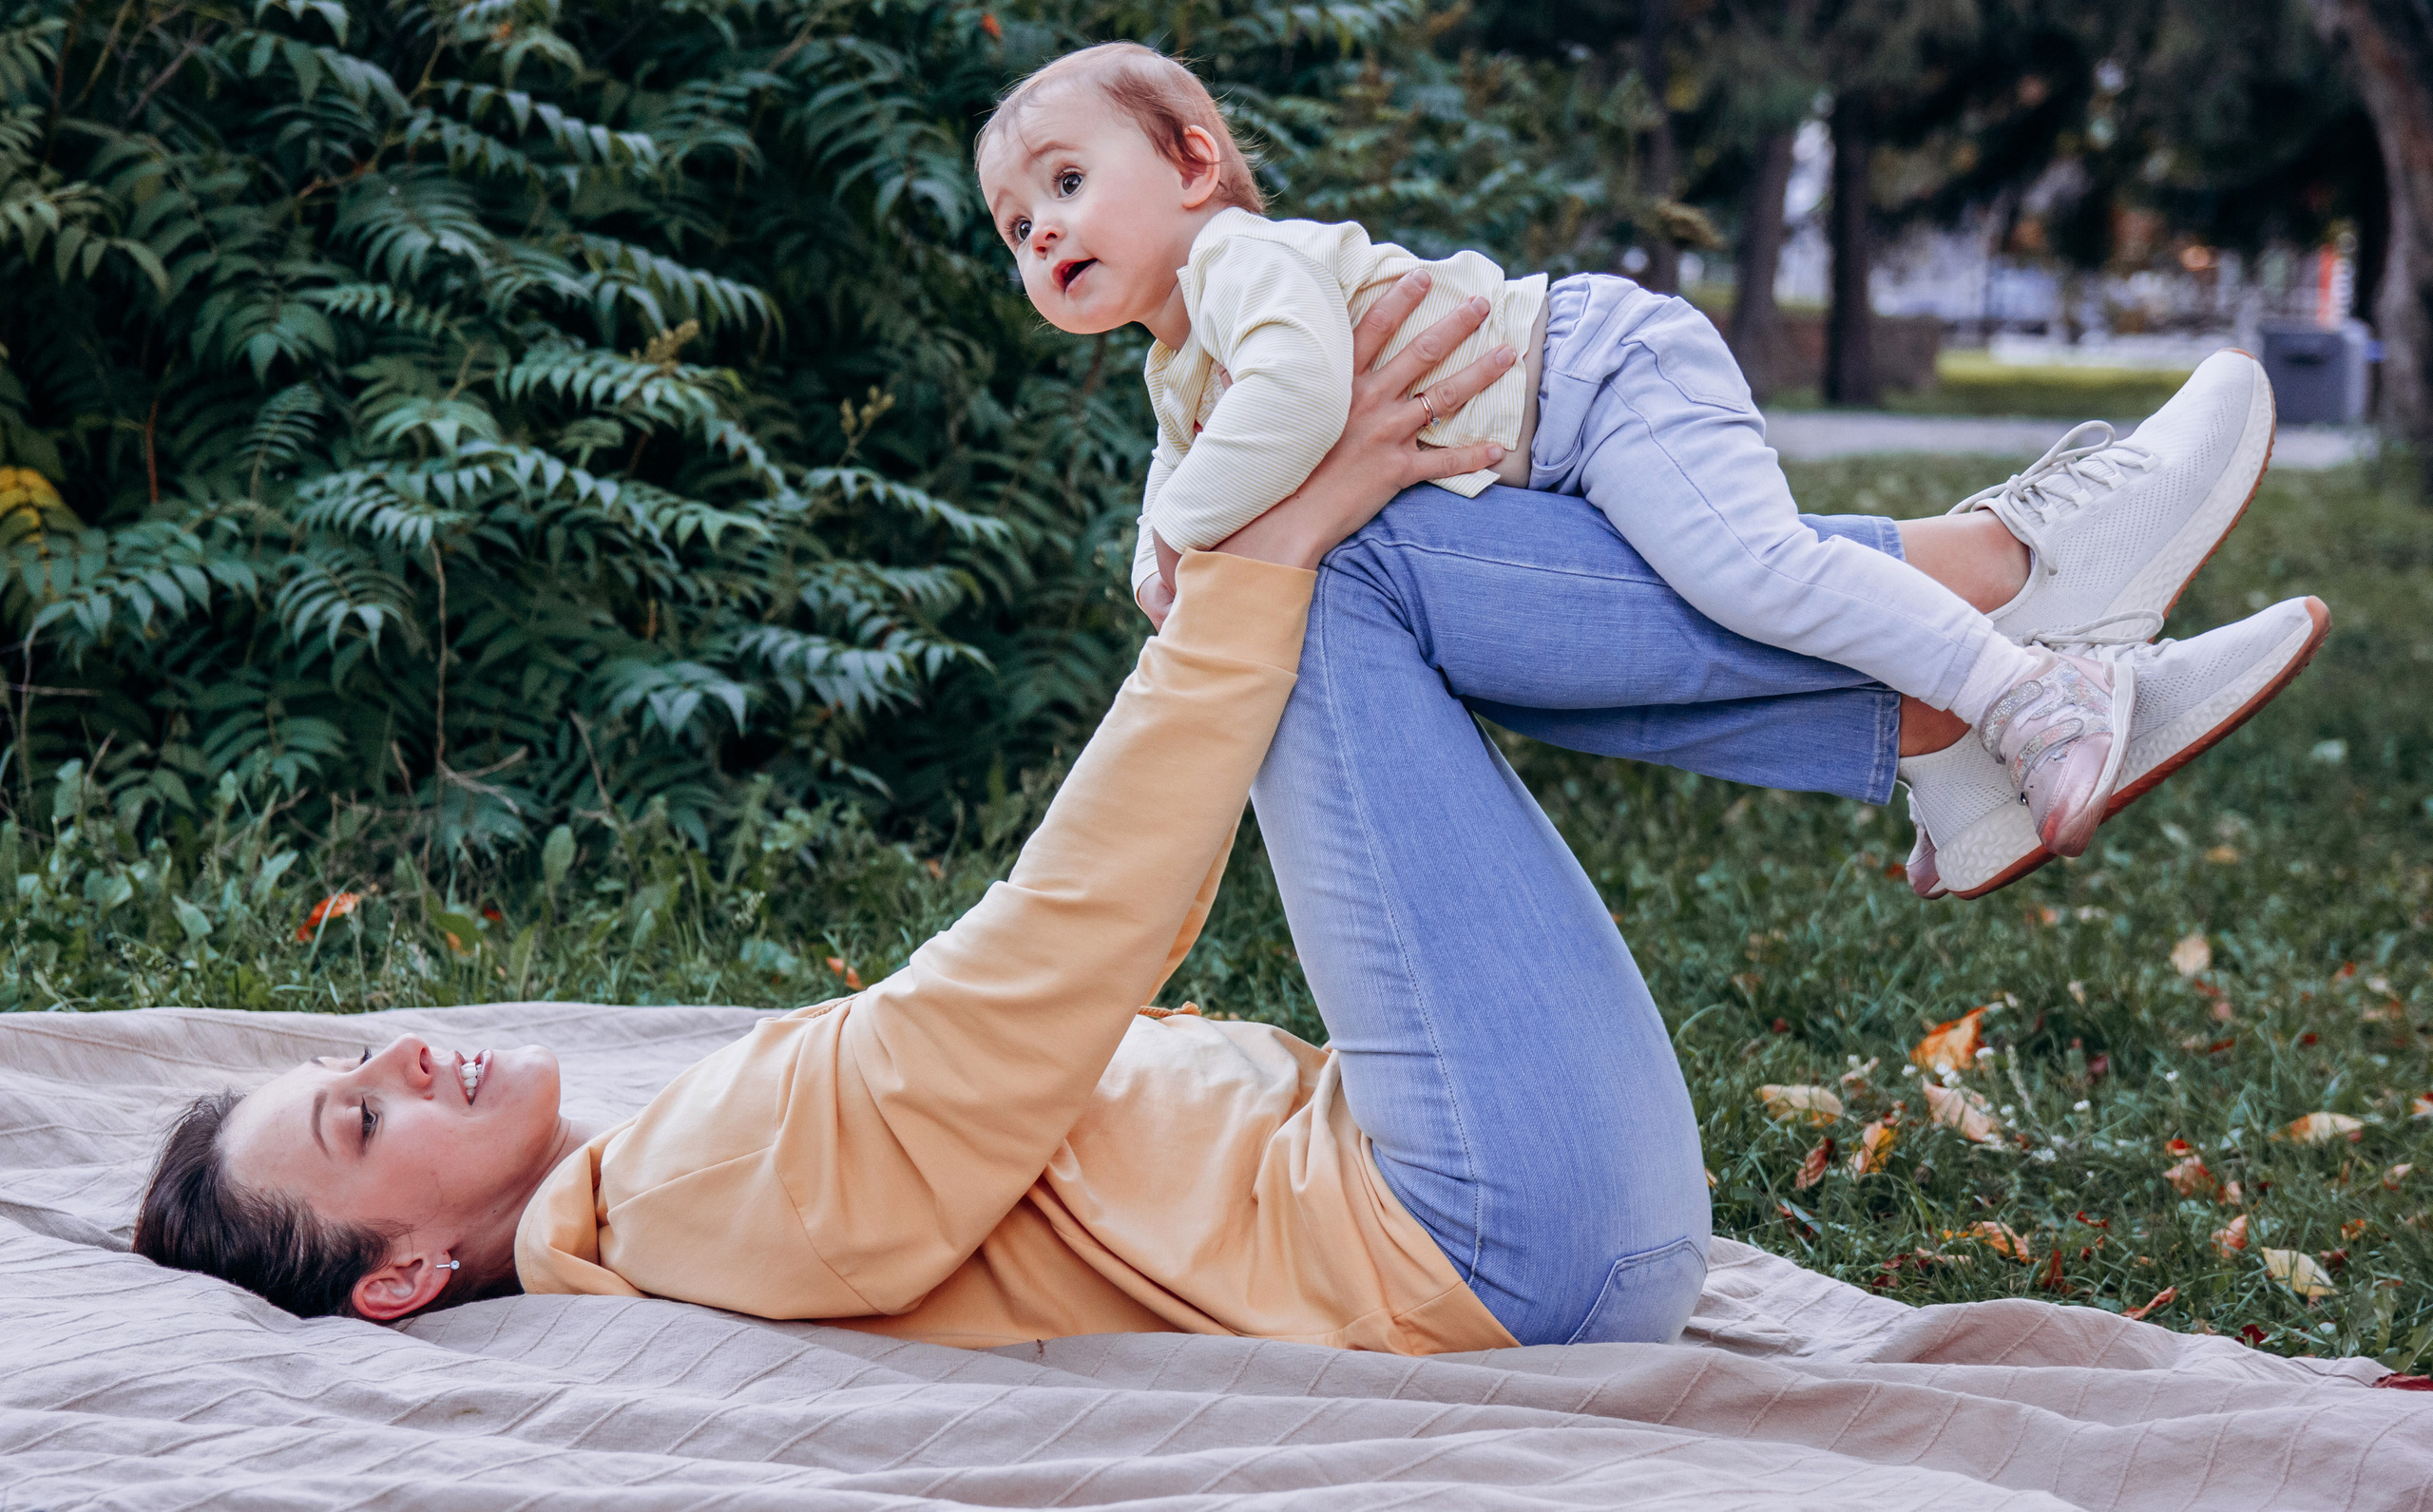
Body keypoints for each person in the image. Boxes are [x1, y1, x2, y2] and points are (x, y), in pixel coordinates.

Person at [135, 278, 2325, 1351]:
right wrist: (1274, 539)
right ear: (409, 1272)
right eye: (356, 1121)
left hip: (1499, 1213)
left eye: (347, 1054)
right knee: (1322, 554)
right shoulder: (691, 1175)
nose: (398, 1054)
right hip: (1493, 1231)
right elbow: (1058, 940)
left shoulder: (662, 1181)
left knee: (1307, 551)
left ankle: (1949, 703)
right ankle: (1978, 603)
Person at [974, 42, 2282, 866]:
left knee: (1744, 568)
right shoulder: (1175, 354)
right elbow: (1188, 463)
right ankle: (1949, 749)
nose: (1040, 231)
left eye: (1067, 183)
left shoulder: (1236, 262)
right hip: (1555, 440)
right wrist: (1162, 536)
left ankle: (2030, 688)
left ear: (1195, 161)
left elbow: (1300, 395)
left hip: (1598, 374)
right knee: (1631, 617)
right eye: (1015, 222)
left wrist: (1170, 530)